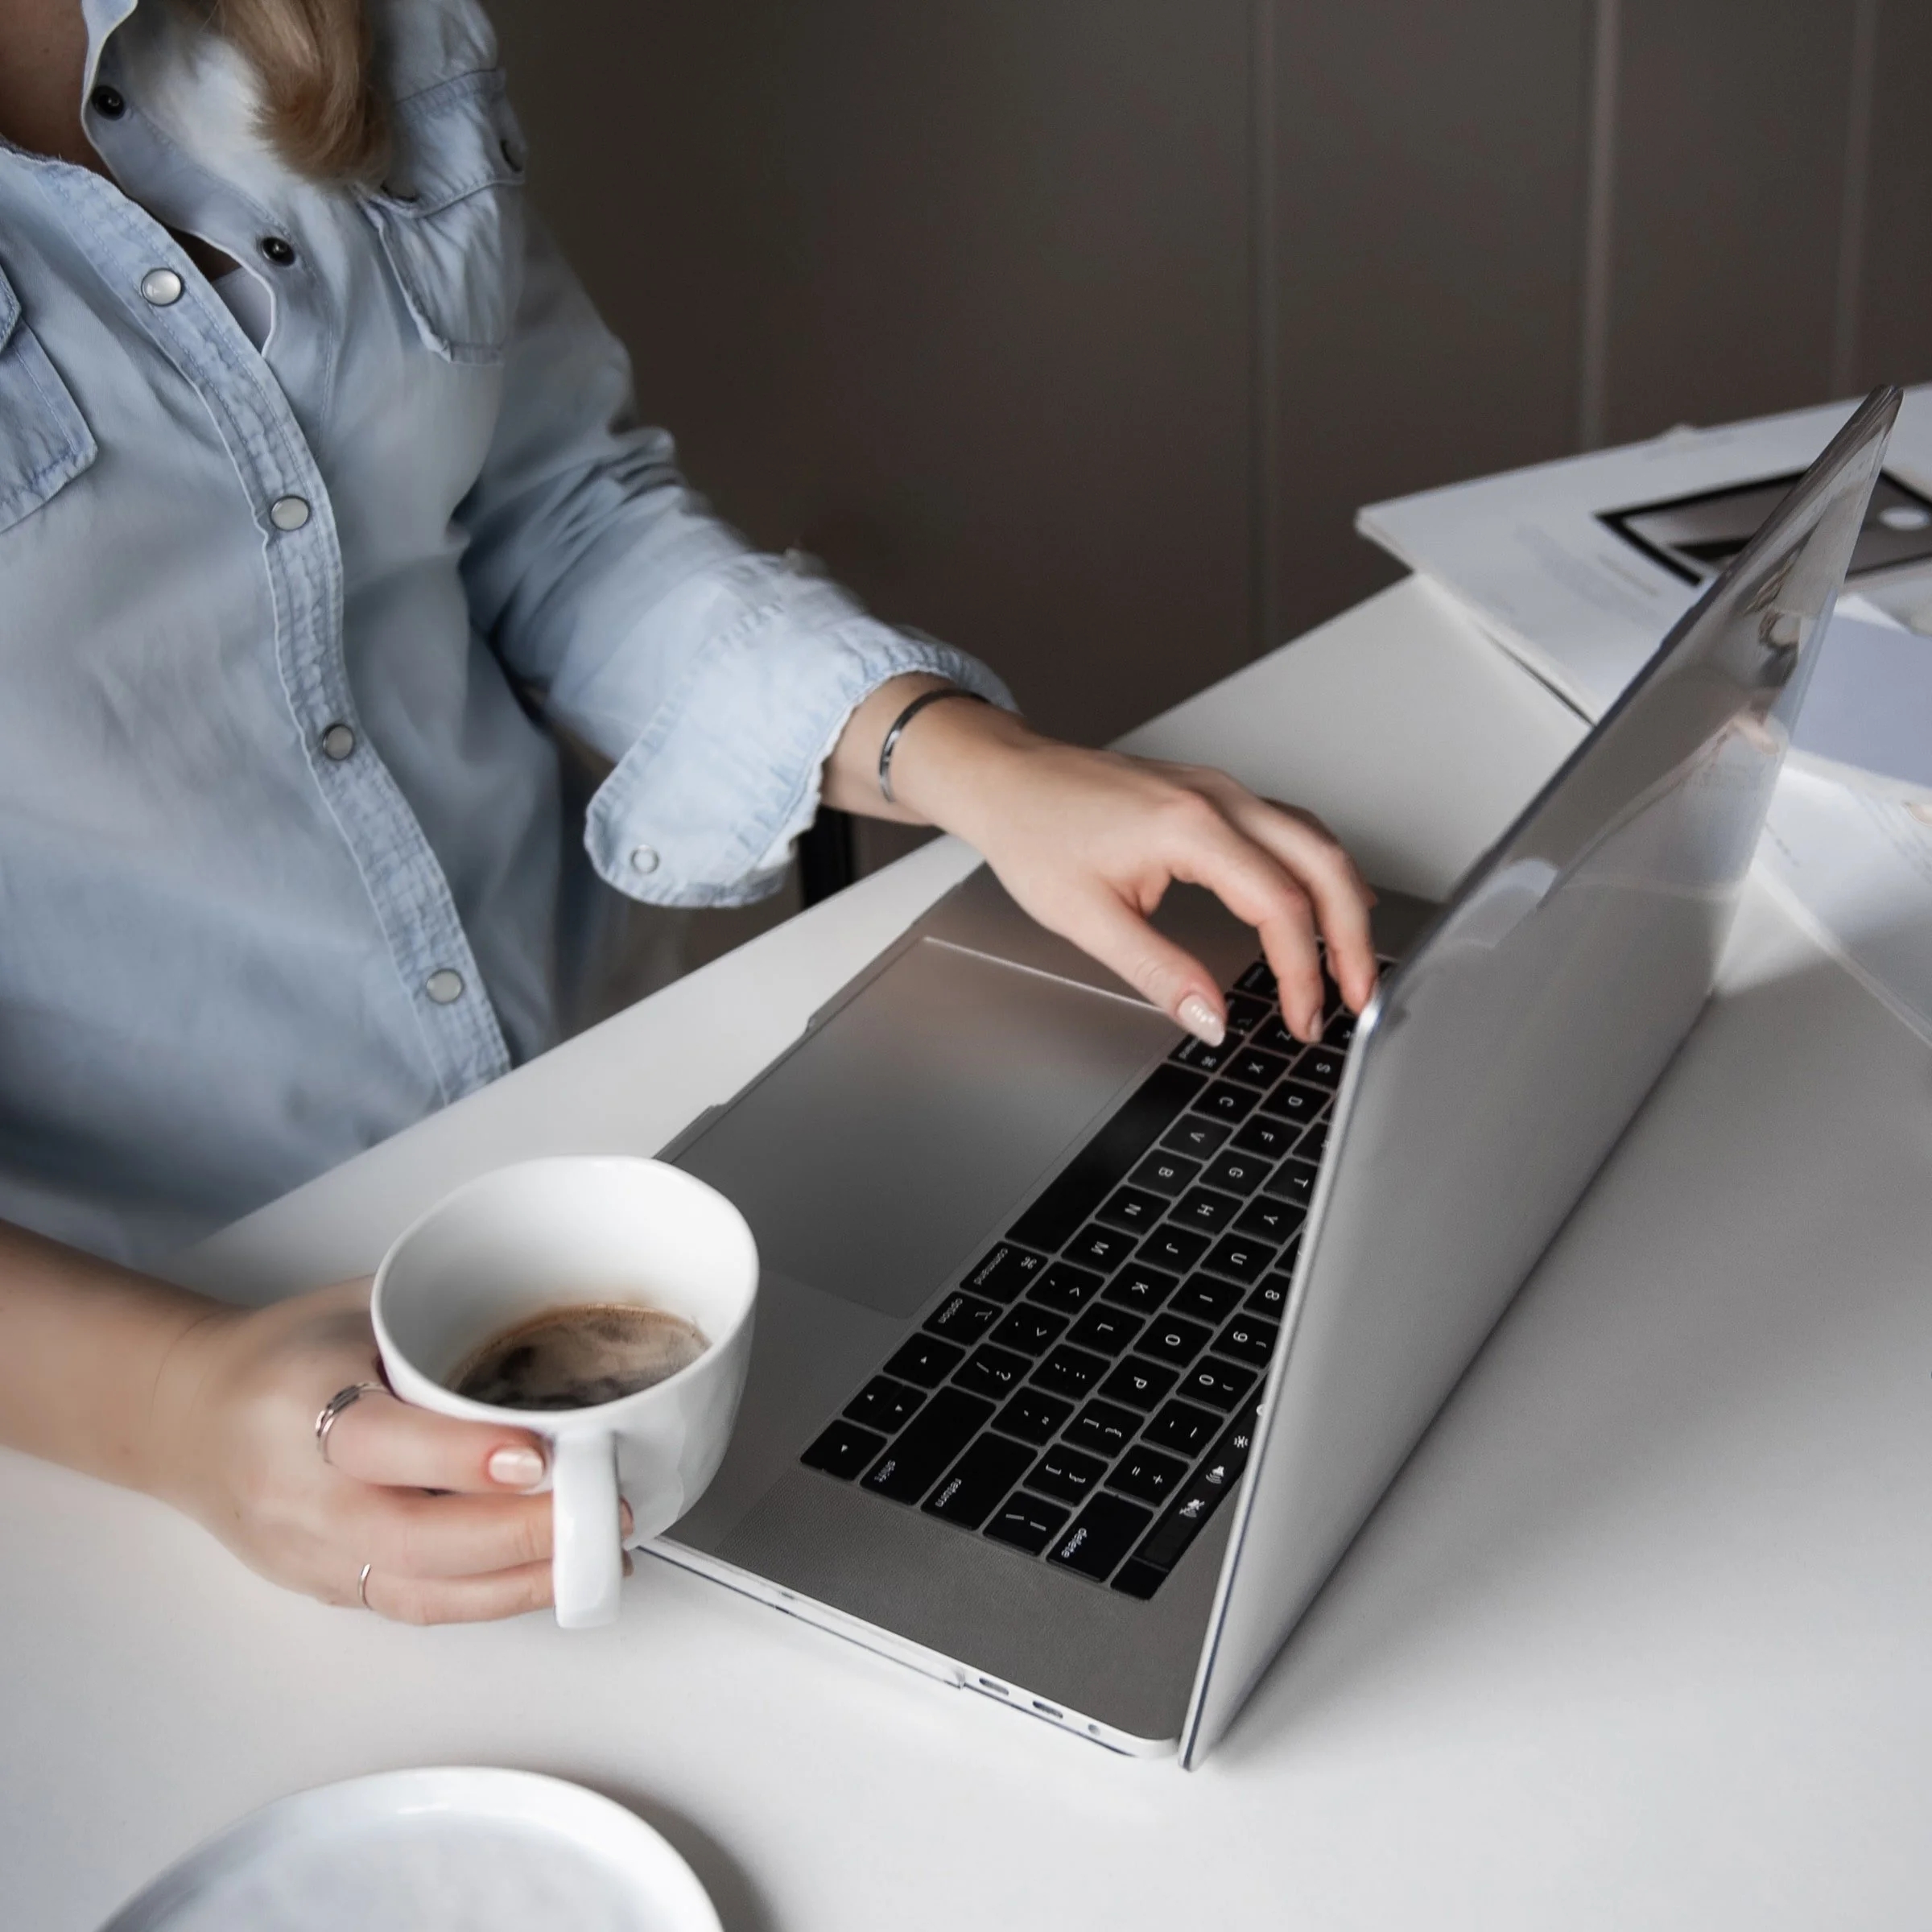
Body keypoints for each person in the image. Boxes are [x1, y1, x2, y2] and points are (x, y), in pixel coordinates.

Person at [0, 0, 1377, 1623]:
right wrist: (174, 1405)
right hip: (178, 1344)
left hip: (643, 1093)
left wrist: (964, 760)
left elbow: (544, 518)